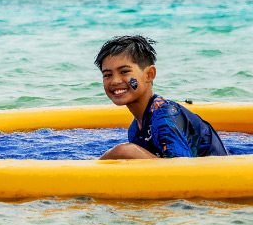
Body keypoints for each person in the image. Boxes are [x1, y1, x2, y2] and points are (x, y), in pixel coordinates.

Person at [95, 35, 228, 159]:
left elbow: (182, 170)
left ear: (150, 74)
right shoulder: (135, 129)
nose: (115, 81)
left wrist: (125, 151)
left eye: (124, 72)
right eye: (107, 75)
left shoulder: (166, 117)